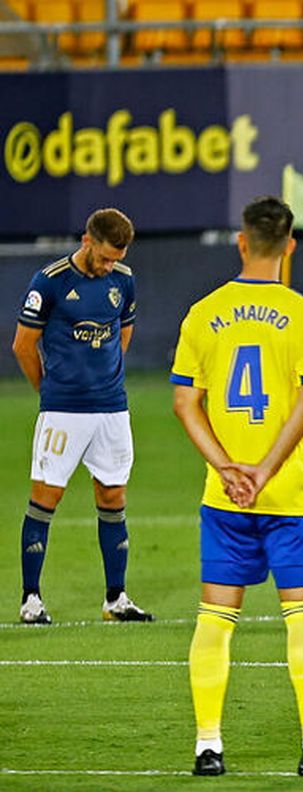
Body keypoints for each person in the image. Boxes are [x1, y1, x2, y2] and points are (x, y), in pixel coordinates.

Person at [170, 196, 303, 778]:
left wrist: (228, 467)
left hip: (225, 497)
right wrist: (264, 471)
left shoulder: (202, 314)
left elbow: (186, 402)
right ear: (290, 246)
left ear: (241, 242)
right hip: (294, 495)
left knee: (214, 618)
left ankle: (207, 747)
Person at [13, 208, 153, 625]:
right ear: (87, 241)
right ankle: (31, 599)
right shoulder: (50, 282)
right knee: (45, 499)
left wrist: (103, 380)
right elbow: (23, 345)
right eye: (105, 256)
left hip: (111, 410)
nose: (110, 265)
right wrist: (51, 390)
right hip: (63, 411)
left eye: (116, 258)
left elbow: (121, 334)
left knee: (113, 498)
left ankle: (116, 598)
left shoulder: (122, 281)